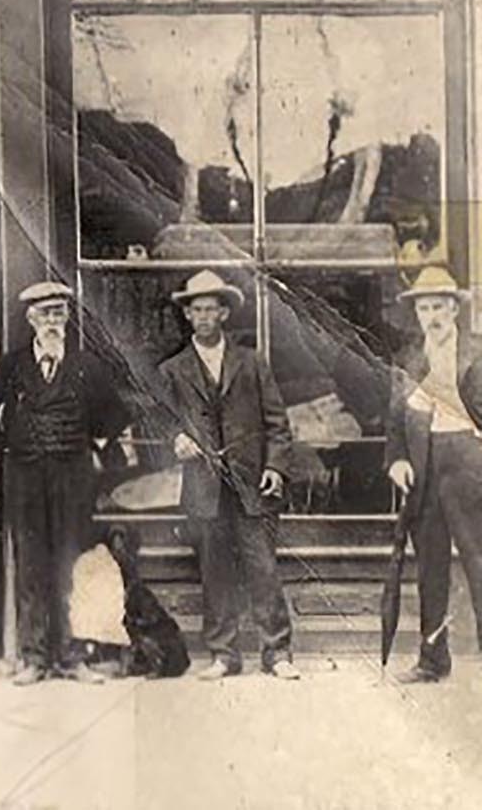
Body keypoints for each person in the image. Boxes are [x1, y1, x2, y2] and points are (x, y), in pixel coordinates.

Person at [0, 281, 130, 686]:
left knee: (70, 566)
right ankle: (33, 658)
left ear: (67, 318)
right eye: (45, 313)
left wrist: (96, 443)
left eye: (59, 313)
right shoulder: (13, 366)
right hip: (25, 478)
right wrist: (7, 446)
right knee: (30, 565)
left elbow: (118, 413)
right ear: (30, 319)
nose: (52, 321)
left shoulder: (86, 366)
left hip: (72, 478)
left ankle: (71, 657)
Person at [157, 270, 298, 681]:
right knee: (215, 572)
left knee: (262, 568)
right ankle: (223, 654)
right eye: (196, 309)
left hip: (251, 483)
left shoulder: (251, 363)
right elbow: (155, 418)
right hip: (203, 487)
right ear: (187, 315)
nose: (203, 316)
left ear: (223, 313)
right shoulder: (172, 370)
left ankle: (278, 652)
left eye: (211, 309)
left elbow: (278, 423)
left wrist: (275, 466)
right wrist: (175, 438)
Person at [385, 266, 482, 684]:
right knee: (430, 565)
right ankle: (432, 659)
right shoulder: (407, 359)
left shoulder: (476, 352)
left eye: (439, 306)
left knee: (479, 561)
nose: (432, 316)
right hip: (424, 466)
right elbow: (394, 419)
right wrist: (397, 460)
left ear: (455, 309)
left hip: (469, 464)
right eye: (424, 308)